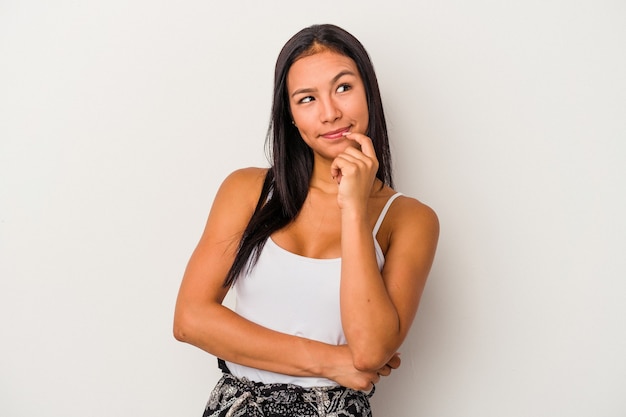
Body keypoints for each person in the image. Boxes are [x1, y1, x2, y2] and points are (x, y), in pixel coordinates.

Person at [174, 23, 439, 417]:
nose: (330, 113)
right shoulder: (248, 190)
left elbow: (368, 351)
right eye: (307, 98)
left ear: (369, 93)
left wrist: (352, 206)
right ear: (291, 117)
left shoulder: (408, 219)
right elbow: (190, 318)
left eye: (344, 88)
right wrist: (330, 362)